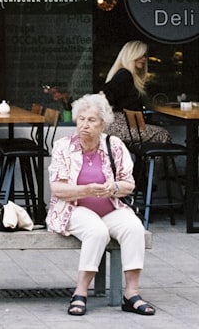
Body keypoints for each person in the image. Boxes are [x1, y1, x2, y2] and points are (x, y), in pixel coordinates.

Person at [47, 92, 155, 317]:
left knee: (134, 228)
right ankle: (80, 292)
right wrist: (86, 190)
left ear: (103, 123)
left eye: (91, 120)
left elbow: (129, 183)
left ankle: (131, 294)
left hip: (109, 208)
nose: (85, 125)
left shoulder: (113, 145)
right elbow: (58, 190)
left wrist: (113, 188)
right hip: (73, 208)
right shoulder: (63, 147)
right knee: (96, 232)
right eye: (81, 119)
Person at [102, 41, 171, 145]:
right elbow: (105, 97)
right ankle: (154, 161)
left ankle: (146, 161)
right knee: (162, 134)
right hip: (119, 127)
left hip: (122, 126)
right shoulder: (125, 75)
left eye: (144, 56)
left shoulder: (126, 76)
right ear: (131, 56)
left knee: (156, 133)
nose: (143, 59)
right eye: (140, 55)